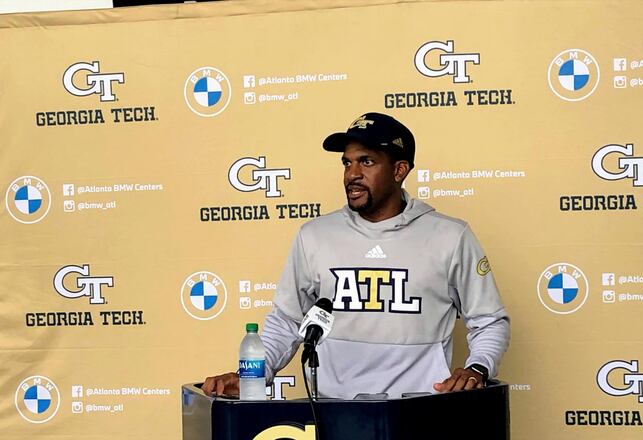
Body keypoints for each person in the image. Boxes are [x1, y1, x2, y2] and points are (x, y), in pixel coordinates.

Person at [202, 112, 509, 399]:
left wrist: (477, 367)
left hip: (420, 413)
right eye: (347, 163)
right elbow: (286, 319)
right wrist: (256, 375)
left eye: (367, 161)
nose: (353, 174)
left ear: (399, 170)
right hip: (334, 413)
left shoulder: (450, 236)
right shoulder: (315, 236)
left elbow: (489, 320)